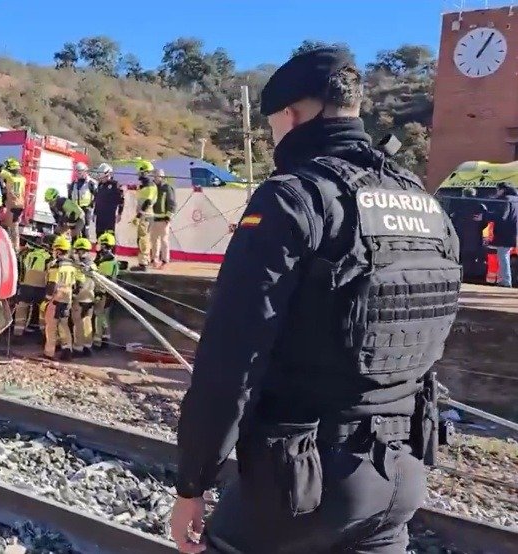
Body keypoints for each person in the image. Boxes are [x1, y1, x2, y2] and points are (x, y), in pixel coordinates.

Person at [168, 47, 462, 554]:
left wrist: (192, 483)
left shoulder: (293, 197)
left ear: (290, 116)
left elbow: (232, 359)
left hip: (303, 481)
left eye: (272, 128)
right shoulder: (423, 202)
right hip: (400, 474)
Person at [43, 235, 80, 360]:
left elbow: (52, 284)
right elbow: (75, 284)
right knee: (64, 324)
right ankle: (67, 350)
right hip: (67, 298)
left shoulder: (56, 265)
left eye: (54, 250)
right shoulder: (72, 265)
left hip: (55, 299)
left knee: (51, 326)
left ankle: (49, 353)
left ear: (58, 251)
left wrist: (47, 300)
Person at [447, 187, 490, 282]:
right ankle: (469, 276)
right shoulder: (480, 206)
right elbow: (485, 222)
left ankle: (460, 276)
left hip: (460, 235)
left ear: (464, 194)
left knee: (460, 256)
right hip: (474, 236)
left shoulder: (458, 204)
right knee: (471, 257)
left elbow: (452, 219)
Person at [13, 236, 53, 337]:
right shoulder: (49, 256)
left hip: (25, 287)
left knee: (21, 309)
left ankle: (18, 333)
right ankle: (44, 335)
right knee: (42, 312)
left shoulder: (26, 254)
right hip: (41, 288)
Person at [92, 231, 120, 349]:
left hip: (104, 292)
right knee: (104, 316)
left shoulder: (106, 262)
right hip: (109, 292)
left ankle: (98, 341)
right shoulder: (110, 260)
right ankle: (105, 337)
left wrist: (99, 294)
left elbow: (103, 280)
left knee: (99, 315)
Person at [70, 237, 96, 356]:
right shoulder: (93, 265)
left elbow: (78, 283)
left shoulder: (78, 267)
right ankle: (87, 346)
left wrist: (73, 295)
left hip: (79, 298)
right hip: (90, 298)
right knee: (87, 323)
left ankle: (78, 348)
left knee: (78, 324)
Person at [130, 159, 158, 271]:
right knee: (141, 239)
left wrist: (138, 216)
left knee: (143, 239)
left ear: (145, 172)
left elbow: (148, 202)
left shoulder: (150, 186)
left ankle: (143, 263)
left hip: (146, 216)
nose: (138, 175)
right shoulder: (144, 186)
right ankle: (143, 261)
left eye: (140, 173)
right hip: (143, 215)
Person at [489, 183, 518, 287]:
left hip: (504, 233)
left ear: (502, 190)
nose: (497, 192)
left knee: (503, 257)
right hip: (512, 233)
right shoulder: (515, 200)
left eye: (498, 190)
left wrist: (487, 215)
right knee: (504, 256)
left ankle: (506, 281)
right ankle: (503, 279)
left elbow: (502, 216)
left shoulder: (505, 200)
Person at [149, 168, 176, 269]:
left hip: (164, 219)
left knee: (164, 240)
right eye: (154, 176)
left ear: (162, 177)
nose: (156, 178)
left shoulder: (167, 188)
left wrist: (168, 217)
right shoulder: (152, 187)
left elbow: (172, 203)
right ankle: (154, 260)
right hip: (153, 218)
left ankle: (165, 260)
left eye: (158, 176)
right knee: (154, 241)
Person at [0, 158, 27, 251]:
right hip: (20, 204)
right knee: (14, 225)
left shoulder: (10, 177)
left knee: (9, 225)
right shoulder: (23, 179)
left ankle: (12, 246)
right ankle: (15, 246)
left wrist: (5, 166)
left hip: (12, 204)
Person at [69, 162, 97, 239]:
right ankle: (75, 245)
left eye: (80, 171)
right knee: (74, 231)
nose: (78, 173)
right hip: (76, 209)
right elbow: (70, 196)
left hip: (86, 209)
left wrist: (92, 206)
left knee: (85, 230)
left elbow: (97, 196)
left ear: (85, 171)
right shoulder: (74, 183)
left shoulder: (91, 183)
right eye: (77, 171)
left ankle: (85, 244)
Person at [94, 163, 124, 235]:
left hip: (110, 216)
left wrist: (119, 213)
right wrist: (95, 212)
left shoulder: (115, 185)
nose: (101, 178)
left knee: (110, 237)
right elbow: (98, 200)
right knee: (99, 235)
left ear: (107, 175)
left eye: (102, 177)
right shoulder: (100, 185)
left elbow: (121, 201)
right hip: (100, 216)